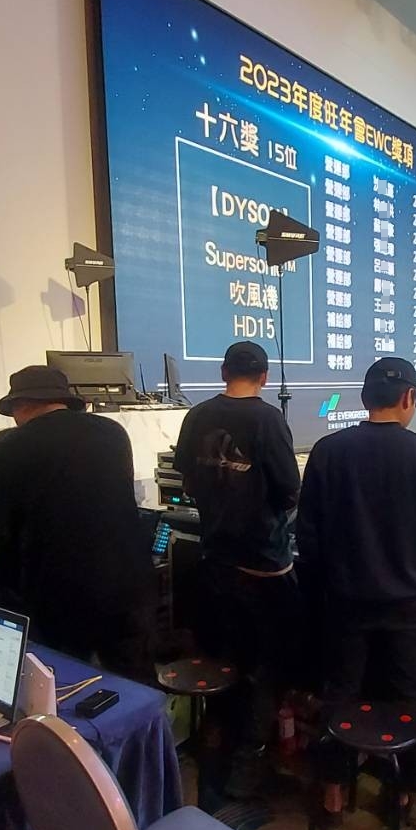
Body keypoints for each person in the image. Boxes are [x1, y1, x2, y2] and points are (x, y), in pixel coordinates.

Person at [298, 357, 416, 830]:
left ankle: (333, 799)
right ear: (408, 398)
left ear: (365, 399)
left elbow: (307, 536)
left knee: (340, 695)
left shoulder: (327, 451)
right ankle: (398, 797)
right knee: (404, 697)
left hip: (343, 604)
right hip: (407, 607)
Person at [172, 341, 301, 801]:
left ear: (223, 371)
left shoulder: (197, 416)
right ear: (264, 377)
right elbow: (290, 490)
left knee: (223, 657)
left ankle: (216, 747)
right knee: (265, 666)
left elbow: (188, 479)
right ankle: (251, 756)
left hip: (216, 561)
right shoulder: (269, 420)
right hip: (264, 567)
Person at [0, 365, 154, 678]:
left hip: (57, 588)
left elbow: (2, 530)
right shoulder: (112, 433)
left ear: (21, 405)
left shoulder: (10, 448)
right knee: (132, 672)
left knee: (65, 678)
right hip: (125, 580)